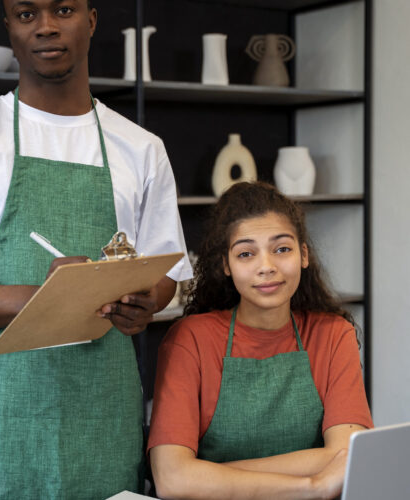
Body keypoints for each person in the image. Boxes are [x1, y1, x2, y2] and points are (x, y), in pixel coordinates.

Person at [0, 0, 191, 498]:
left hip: (104, 410)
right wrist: (57, 296)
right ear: (9, 28)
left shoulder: (142, 148)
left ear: (92, 19)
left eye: (62, 9)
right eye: (26, 14)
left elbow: (167, 271)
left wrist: (145, 299)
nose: (45, 27)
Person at [147, 181, 373, 500]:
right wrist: (313, 486)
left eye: (282, 249)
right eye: (246, 253)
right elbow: (172, 479)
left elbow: (348, 458)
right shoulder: (191, 339)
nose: (266, 267)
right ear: (226, 265)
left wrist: (212, 473)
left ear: (303, 254)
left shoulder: (334, 334)